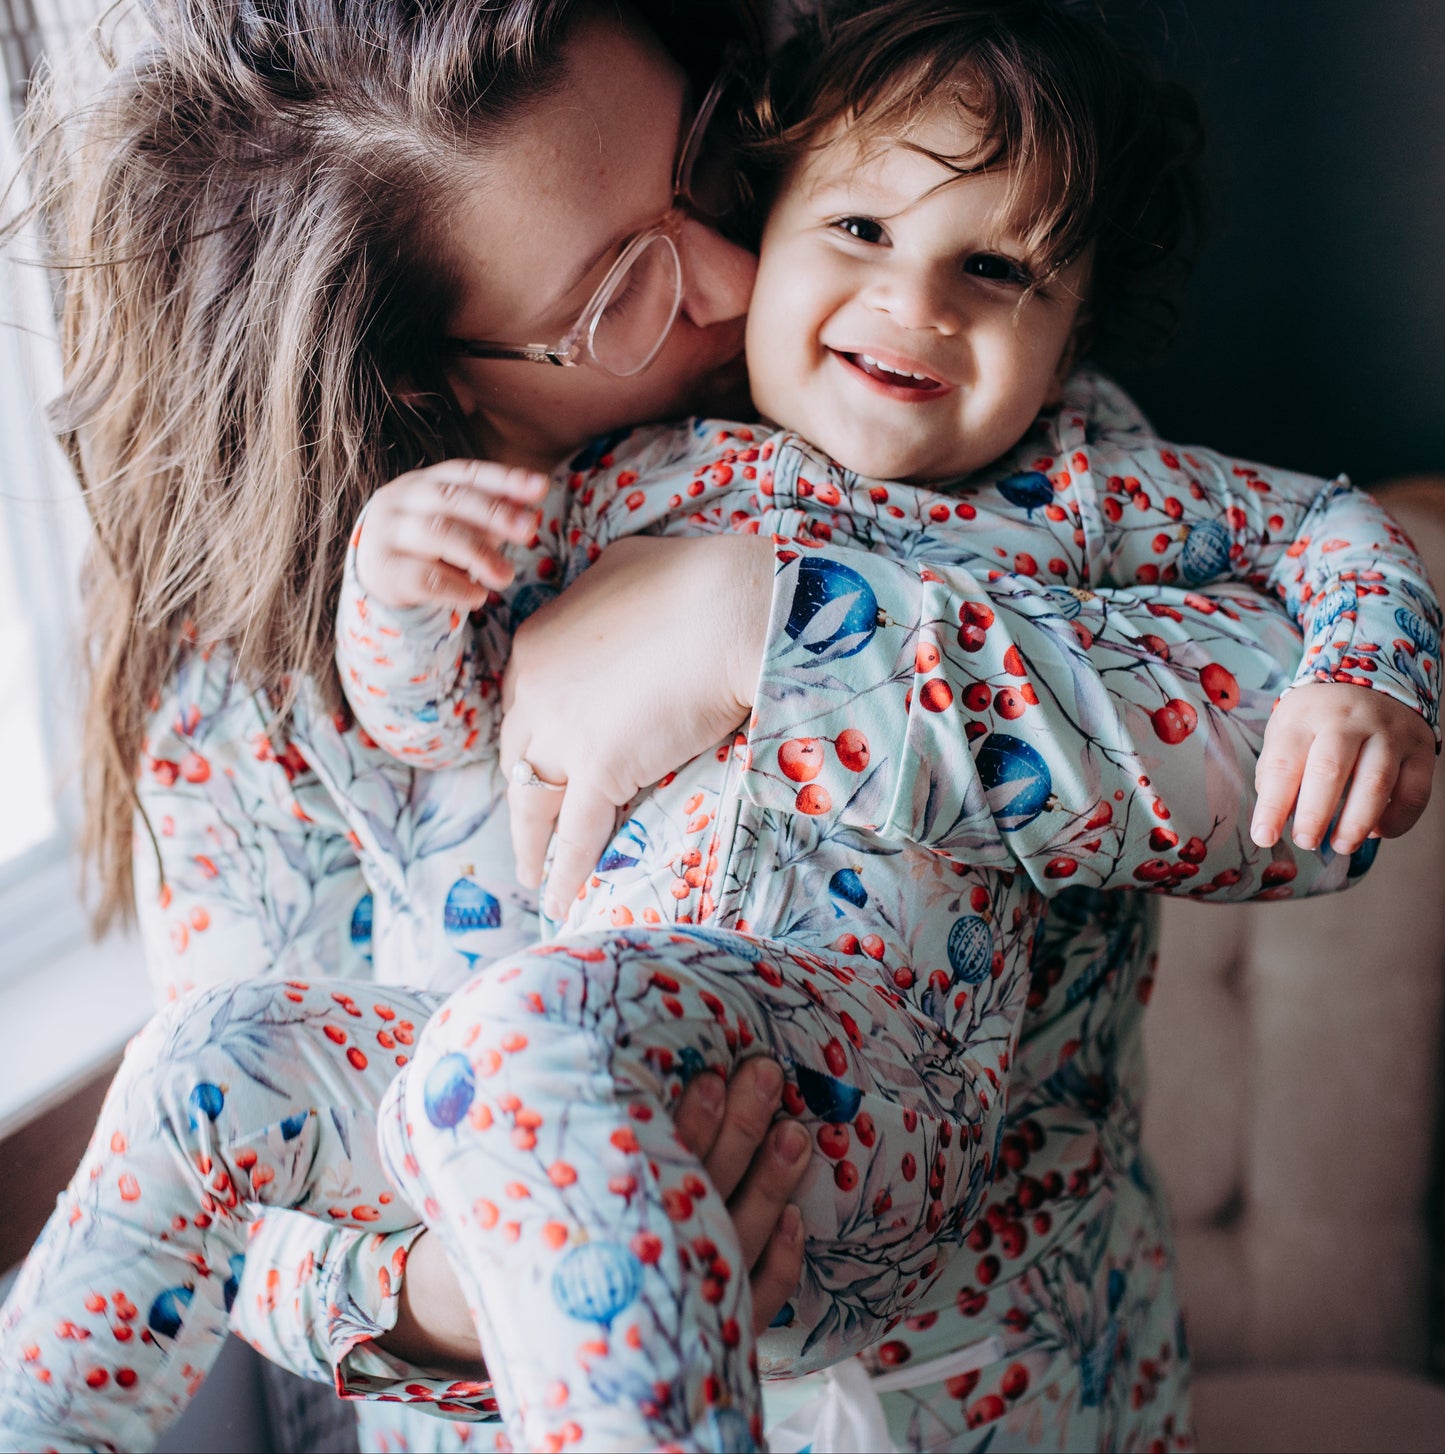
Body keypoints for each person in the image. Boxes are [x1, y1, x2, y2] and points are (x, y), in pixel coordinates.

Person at [1, 3, 1438, 1452]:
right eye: (621, 286)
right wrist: (479, 1285)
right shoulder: (515, 542)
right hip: (557, 1175)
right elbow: (431, 722)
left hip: (904, 1196)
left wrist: (769, 630)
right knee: (210, 1063)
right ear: (426, 374)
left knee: (519, 1039)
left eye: (703, 173)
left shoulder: (1023, 450)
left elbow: (1304, 762)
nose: (737, 272)